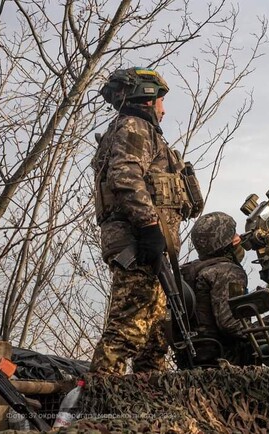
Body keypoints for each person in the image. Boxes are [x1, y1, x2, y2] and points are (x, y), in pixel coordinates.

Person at [90, 67, 203, 375]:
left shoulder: (139, 131)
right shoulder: (134, 127)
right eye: (162, 102)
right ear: (147, 98)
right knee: (127, 330)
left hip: (152, 248)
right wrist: (150, 227)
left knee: (155, 338)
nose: (164, 111)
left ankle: (148, 406)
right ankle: (97, 403)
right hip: (139, 247)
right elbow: (125, 176)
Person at [178, 212, 249, 367]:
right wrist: (267, 323)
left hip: (193, 358)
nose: (238, 237)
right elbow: (230, 324)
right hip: (225, 360)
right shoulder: (227, 271)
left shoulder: (189, 271)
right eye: (233, 234)